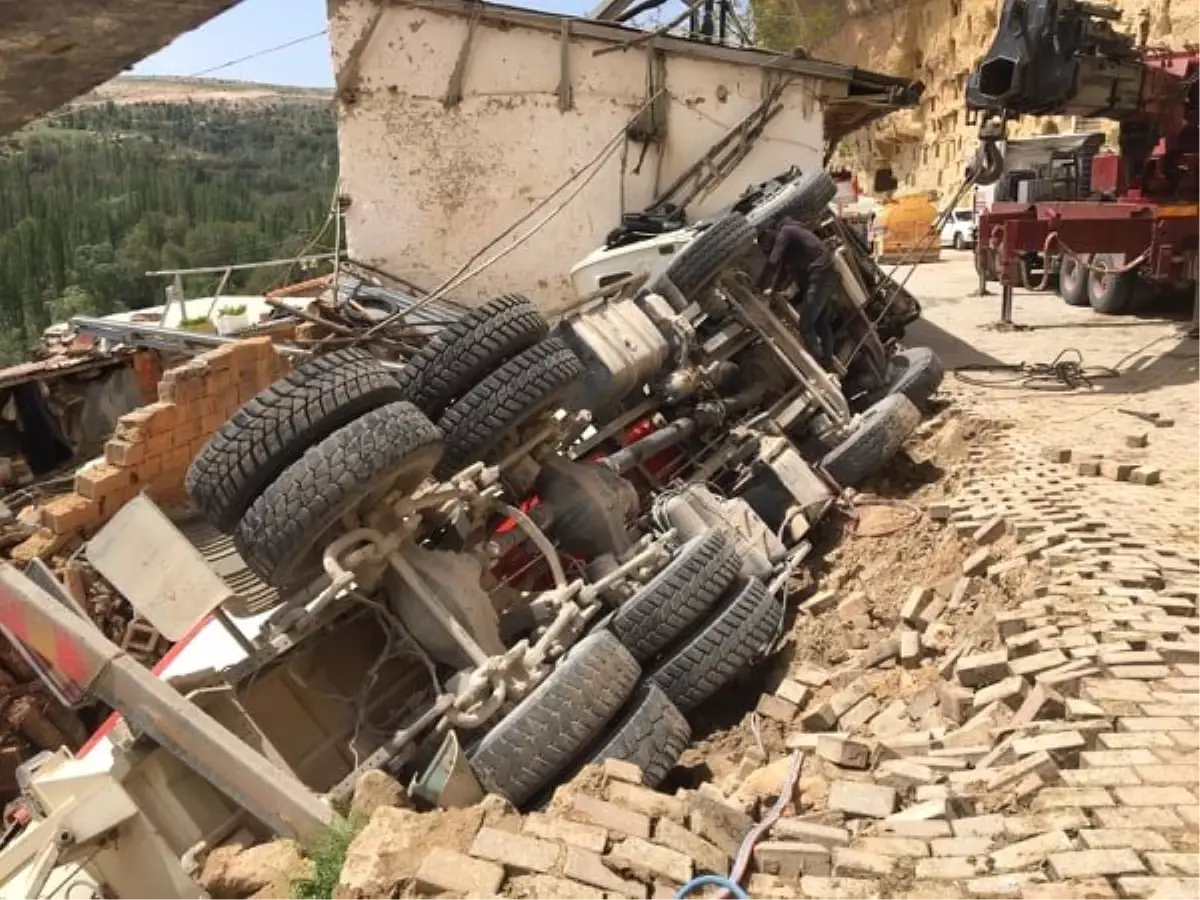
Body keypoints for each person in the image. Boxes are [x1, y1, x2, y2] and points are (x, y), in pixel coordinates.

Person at [757, 218, 837, 368]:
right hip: (827, 276)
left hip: (819, 278)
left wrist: (759, 285)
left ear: (769, 232)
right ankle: (828, 360)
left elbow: (773, 263)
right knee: (821, 323)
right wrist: (773, 291)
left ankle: (821, 363)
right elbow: (782, 274)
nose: (768, 249)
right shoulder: (790, 248)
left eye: (766, 244)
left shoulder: (786, 232)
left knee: (806, 325)